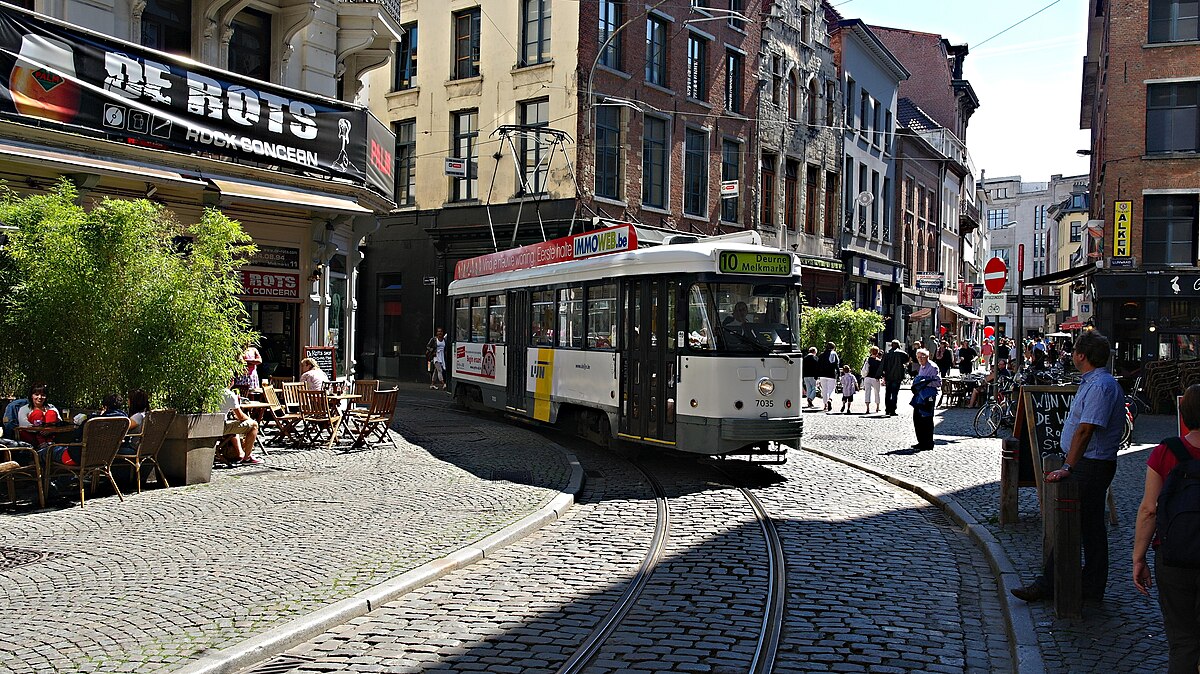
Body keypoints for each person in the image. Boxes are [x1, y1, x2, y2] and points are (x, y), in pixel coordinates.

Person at [1013, 331, 1124, 603]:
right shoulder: (1095, 382)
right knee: (1088, 526)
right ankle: (1088, 583)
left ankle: (1051, 584)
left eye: (1074, 350)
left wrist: (1069, 466)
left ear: (1082, 355)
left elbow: (1086, 430)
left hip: (1091, 464)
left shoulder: (1100, 386)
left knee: (1070, 524)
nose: (1071, 354)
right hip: (1092, 463)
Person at [1134, 384, 1200, 673]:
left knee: (1183, 639)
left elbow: (1149, 509)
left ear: (1183, 413)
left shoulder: (1166, 451)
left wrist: (1139, 557)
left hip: (1175, 556)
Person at [218, 386, 260, 466]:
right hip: (220, 428)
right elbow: (240, 416)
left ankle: (240, 453)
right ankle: (247, 457)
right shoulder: (228, 394)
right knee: (254, 425)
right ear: (231, 381)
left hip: (205, 427)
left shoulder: (209, 391)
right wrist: (250, 420)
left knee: (234, 424)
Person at [910, 349, 941, 450]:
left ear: (927, 357)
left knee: (926, 418)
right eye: (918, 357)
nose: (920, 359)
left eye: (922, 357)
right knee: (917, 418)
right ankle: (921, 442)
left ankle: (928, 443)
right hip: (920, 396)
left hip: (929, 396)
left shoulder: (932, 367)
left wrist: (925, 382)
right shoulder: (922, 367)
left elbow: (938, 382)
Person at [17, 383, 61, 449]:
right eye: (36, 395)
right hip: (32, 436)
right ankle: (41, 444)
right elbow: (23, 424)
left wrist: (49, 430)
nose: (40, 397)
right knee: (37, 413)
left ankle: (49, 443)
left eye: (43, 395)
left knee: (51, 413)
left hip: (50, 435)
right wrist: (40, 430)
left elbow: (60, 421)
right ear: (32, 396)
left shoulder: (51, 407)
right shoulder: (24, 409)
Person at [880, 340, 911, 417]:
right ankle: (893, 410)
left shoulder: (887, 354)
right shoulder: (901, 354)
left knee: (888, 393)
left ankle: (887, 409)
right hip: (897, 376)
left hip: (888, 376)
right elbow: (907, 360)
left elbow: (882, 364)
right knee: (894, 393)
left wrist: (879, 374)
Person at [817, 341, 841, 413]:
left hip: (822, 375)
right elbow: (836, 365)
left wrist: (817, 374)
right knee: (832, 389)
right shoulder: (834, 354)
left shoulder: (821, 355)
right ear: (833, 347)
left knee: (824, 390)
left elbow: (818, 365)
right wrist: (838, 374)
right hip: (831, 374)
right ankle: (830, 399)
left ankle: (825, 405)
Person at [860, 346, 882, 414]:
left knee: (867, 392)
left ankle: (867, 408)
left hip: (867, 378)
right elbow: (880, 371)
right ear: (877, 352)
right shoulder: (879, 361)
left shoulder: (867, 360)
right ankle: (877, 407)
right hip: (875, 378)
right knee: (877, 393)